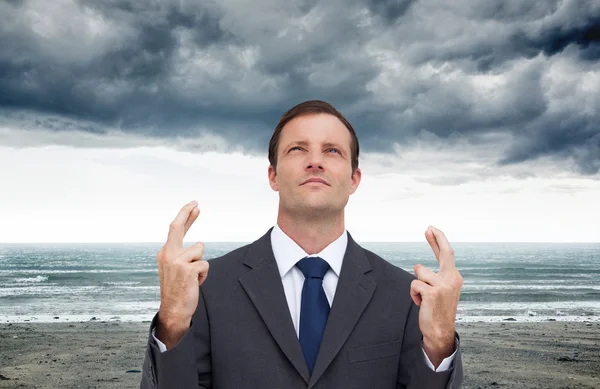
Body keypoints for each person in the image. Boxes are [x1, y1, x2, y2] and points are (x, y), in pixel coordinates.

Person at [140, 100, 464, 389]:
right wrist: (171, 322)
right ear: (273, 176)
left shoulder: (405, 294)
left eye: (332, 150)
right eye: (297, 149)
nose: (315, 161)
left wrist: (439, 344)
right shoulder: (208, 288)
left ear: (354, 180)